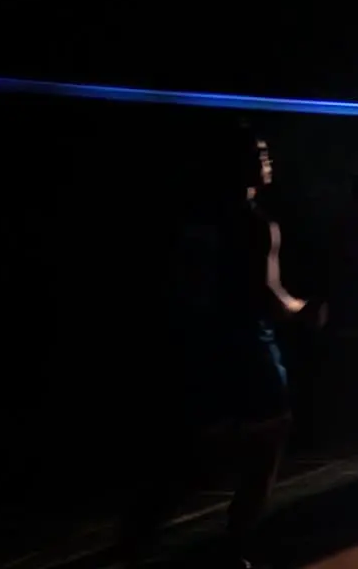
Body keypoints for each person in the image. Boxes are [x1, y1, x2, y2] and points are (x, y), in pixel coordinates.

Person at [122, 123, 326, 569]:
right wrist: (304, 309)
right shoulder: (253, 224)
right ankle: (234, 546)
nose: (268, 158)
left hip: (198, 345)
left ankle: (143, 530)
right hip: (246, 347)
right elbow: (267, 296)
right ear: (237, 163)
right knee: (266, 441)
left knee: (199, 446)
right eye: (259, 152)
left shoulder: (195, 220)